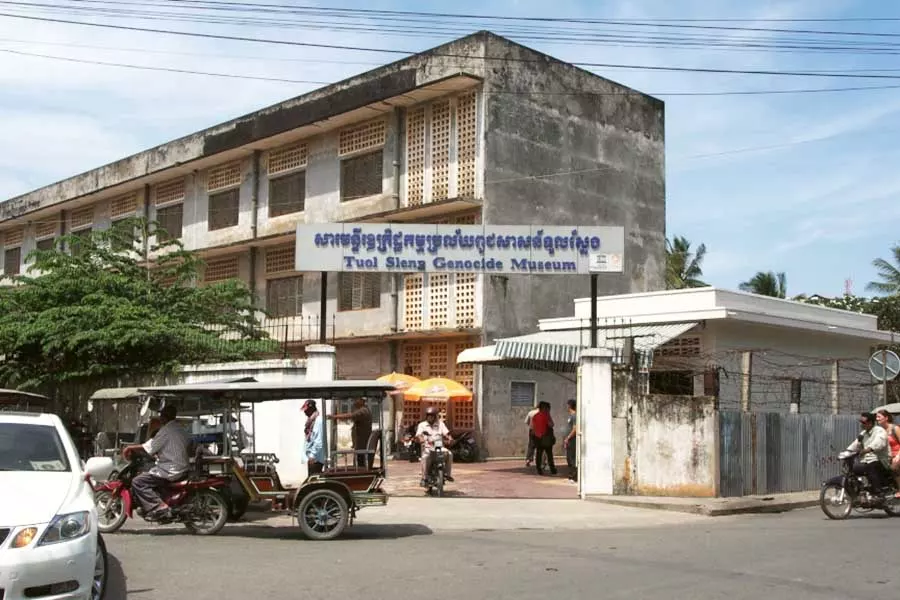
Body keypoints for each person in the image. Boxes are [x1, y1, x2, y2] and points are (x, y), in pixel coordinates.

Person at [122, 404, 191, 519]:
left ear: (164, 417)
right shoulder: (180, 429)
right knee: (151, 473)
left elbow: (150, 447)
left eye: (161, 416)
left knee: (138, 481)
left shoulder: (166, 430)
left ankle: (159, 506)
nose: (160, 418)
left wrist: (130, 448)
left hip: (171, 470)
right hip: (181, 468)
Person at [846, 412, 892, 494]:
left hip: (882, 460)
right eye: (861, 422)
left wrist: (868, 449)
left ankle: (878, 491)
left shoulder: (879, 431)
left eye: (864, 423)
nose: (861, 425)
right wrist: (846, 452)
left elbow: (879, 443)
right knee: (853, 468)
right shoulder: (863, 433)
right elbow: (855, 444)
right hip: (867, 460)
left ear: (870, 423)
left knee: (871, 466)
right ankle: (859, 490)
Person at [329, 397, 373, 468]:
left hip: (362, 446)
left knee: (361, 466)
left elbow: (350, 416)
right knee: (358, 464)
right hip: (360, 445)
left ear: (362, 401)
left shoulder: (363, 411)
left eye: (356, 399)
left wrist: (334, 416)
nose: (354, 402)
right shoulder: (362, 410)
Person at [415, 406, 454, 486]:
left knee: (449, 454)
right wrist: (421, 439)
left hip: (439, 446)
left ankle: (447, 474)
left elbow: (446, 433)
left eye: (432, 416)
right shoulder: (422, 425)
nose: (430, 417)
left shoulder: (441, 424)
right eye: (429, 416)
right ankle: (424, 478)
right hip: (427, 447)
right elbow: (419, 435)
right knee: (425, 458)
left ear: (435, 416)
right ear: (426, 416)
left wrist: (450, 438)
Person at [876, 409, 900, 497]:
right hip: (886, 456)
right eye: (876, 417)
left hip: (897, 454)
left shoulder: (895, 428)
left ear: (886, 418)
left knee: (894, 467)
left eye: (879, 417)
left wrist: (898, 456)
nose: (877, 419)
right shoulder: (878, 430)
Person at [531, 401, 557, 476]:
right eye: (548, 408)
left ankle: (538, 469)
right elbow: (551, 425)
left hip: (537, 437)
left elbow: (533, 427)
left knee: (539, 454)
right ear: (545, 408)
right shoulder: (546, 416)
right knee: (549, 454)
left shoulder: (535, 416)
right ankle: (552, 469)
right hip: (546, 438)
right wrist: (549, 417)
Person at [303, 400, 325, 475]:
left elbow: (319, 441)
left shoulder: (318, 421)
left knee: (314, 479)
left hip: (316, 458)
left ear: (311, 409)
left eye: (306, 410)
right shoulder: (311, 420)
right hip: (312, 456)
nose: (304, 412)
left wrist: (312, 456)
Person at [563, 399, 577, 482]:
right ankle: (571, 475)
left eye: (567, 405)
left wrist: (568, 437)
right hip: (569, 439)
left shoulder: (574, 416)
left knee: (572, 458)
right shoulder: (570, 416)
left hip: (572, 439)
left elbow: (575, 429)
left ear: (569, 406)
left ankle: (573, 476)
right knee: (569, 458)